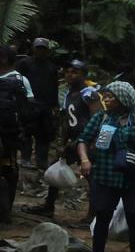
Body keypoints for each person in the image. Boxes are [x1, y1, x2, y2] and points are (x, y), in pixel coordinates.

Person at [76, 81, 135, 252]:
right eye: (106, 96)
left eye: (111, 96)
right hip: (104, 176)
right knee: (102, 215)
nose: (106, 99)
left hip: (133, 179)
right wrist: (85, 159)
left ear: (123, 99)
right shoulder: (101, 117)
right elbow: (83, 140)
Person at [22, 60, 94, 218]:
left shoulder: (89, 93)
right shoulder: (68, 94)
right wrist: (62, 143)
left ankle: (92, 216)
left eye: (75, 72)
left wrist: (88, 141)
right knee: (54, 169)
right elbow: (66, 120)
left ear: (83, 75)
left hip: (87, 141)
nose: (70, 75)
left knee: (92, 177)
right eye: (68, 71)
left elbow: (96, 118)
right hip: (73, 140)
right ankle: (49, 206)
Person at [0, 46, 34, 220]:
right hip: (9, 135)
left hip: (9, 137)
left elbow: (27, 109)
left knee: (9, 171)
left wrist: (21, 132)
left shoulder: (19, 80)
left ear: (4, 58)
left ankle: (6, 211)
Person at [17, 37, 59, 170]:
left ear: (47, 51)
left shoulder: (51, 67)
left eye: (43, 49)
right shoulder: (24, 63)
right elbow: (17, 81)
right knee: (26, 133)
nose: (40, 51)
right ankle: (25, 159)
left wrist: (54, 105)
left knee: (44, 135)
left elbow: (54, 87)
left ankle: (42, 162)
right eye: (38, 48)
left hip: (45, 106)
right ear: (33, 49)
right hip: (28, 105)